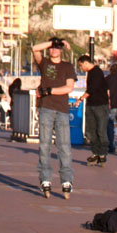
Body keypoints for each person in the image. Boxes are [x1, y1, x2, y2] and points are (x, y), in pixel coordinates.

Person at [31, 37, 76, 199]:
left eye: (57, 47)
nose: (54, 50)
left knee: (64, 146)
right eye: (52, 47)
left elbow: (69, 87)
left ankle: (66, 180)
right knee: (44, 145)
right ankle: (45, 178)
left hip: (62, 110)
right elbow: (35, 48)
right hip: (46, 109)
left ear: (62, 50)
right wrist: (53, 41)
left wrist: (48, 91)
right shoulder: (44, 64)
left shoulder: (67, 66)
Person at [76, 55, 109, 166]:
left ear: (85, 63)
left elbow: (92, 88)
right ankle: (96, 153)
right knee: (91, 130)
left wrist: (80, 99)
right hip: (91, 105)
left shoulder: (97, 72)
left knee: (101, 130)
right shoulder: (91, 73)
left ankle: (102, 154)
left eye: (81, 65)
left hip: (100, 106)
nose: (81, 68)